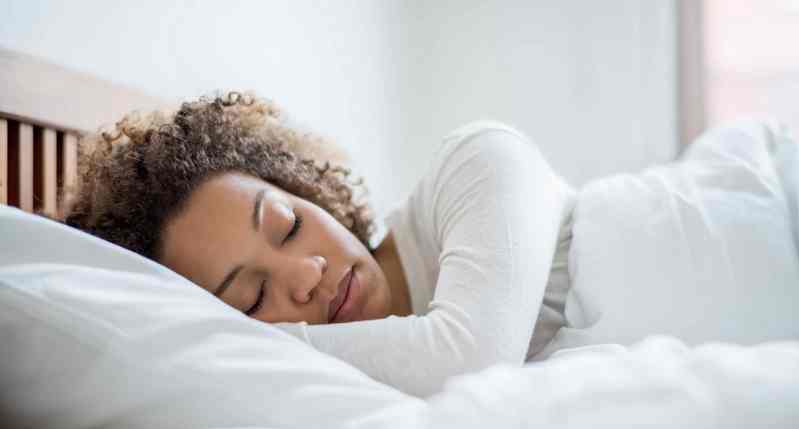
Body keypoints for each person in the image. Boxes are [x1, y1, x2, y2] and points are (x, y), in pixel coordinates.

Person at [64, 91, 577, 396]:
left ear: (307, 191)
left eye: (288, 225)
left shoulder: (476, 161)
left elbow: (468, 361)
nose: (307, 274)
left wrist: (248, 342)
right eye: (253, 299)